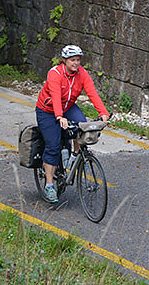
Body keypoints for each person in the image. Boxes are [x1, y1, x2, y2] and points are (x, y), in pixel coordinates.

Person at [35, 44, 110, 203]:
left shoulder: (82, 74)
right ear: (64, 60)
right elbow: (55, 97)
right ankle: (49, 185)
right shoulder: (55, 74)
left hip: (68, 107)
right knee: (53, 146)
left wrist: (103, 113)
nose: (76, 63)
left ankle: (75, 154)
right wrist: (59, 116)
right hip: (47, 110)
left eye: (78, 60)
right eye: (72, 60)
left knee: (83, 127)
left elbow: (92, 93)